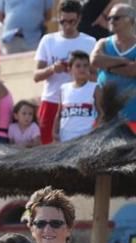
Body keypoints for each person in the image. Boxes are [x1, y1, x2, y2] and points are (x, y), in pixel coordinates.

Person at [34, 1, 97, 144]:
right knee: (46, 149)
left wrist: (80, 72)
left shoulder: (90, 42)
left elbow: (96, 76)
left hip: (80, 103)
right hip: (51, 100)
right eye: (63, 22)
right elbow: (36, 76)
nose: (67, 26)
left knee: (78, 148)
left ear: (79, 18)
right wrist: (52, 69)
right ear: (58, 18)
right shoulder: (48, 40)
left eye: (72, 21)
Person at [92, 2, 136, 123]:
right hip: (105, 117)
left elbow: (133, 71)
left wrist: (107, 65)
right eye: (109, 18)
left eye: (116, 17)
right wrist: (124, 62)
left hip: (132, 116)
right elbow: (95, 60)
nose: (111, 21)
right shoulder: (103, 43)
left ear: (131, 20)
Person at [56, 50, 99, 141]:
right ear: (69, 69)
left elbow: (102, 113)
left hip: (86, 139)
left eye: (85, 65)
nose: (82, 69)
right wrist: (55, 133)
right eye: (78, 66)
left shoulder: (95, 88)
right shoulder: (64, 89)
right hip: (66, 138)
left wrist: (95, 132)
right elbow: (59, 114)